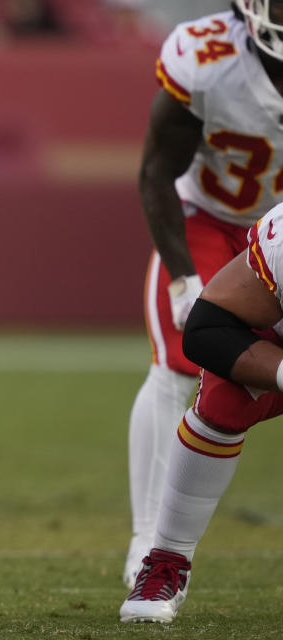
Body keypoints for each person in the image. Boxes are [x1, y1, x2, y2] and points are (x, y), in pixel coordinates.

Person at [123, 0, 283, 589]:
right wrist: (185, 278)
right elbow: (156, 171)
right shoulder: (207, 56)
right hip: (212, 220)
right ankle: (149, 540)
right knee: (178, 360)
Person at [120, 196, 283, 623]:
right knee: (222, 395)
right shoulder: (280, 238)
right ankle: (165, 559)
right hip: (207, 215)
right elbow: (207, 330)